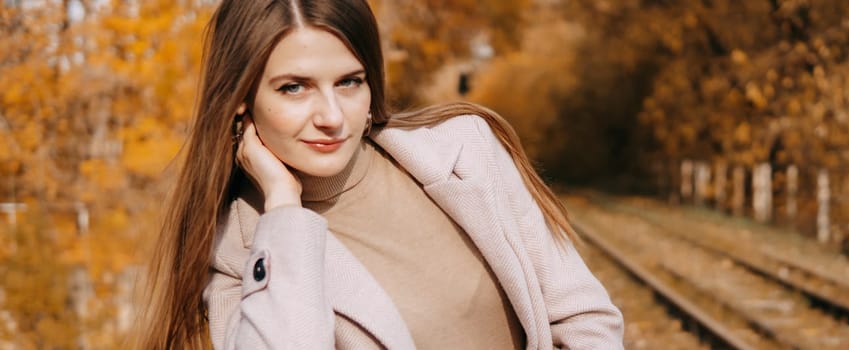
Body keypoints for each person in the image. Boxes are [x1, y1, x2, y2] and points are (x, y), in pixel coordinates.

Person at [135, 0, 624, 348]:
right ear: (241, 100)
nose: (331, 115)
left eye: (349, 82)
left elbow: (582, 316)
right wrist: (283, 207)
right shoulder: (241, 256)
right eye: (294, 88)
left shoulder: (467, 153)